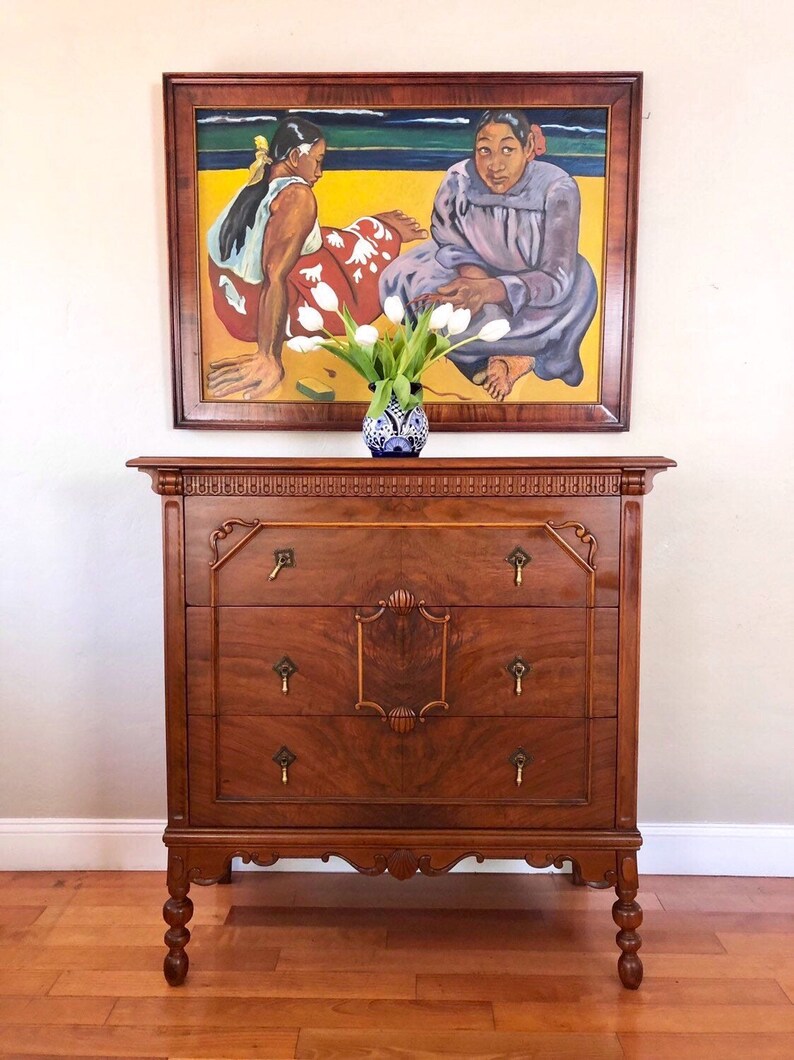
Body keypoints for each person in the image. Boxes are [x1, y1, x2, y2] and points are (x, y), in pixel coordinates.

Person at [379, 110, 597, 400]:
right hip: (470, 271)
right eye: (485, 150)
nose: (495, 164)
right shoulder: (458, 178)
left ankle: (514, 359)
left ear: (529, 148)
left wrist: (492, 290)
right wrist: (473, 282)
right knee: (404, 283)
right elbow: (449, 239)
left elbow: (556, 278)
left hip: (533, 289)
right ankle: (501, 354)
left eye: (508, 149)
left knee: (580, 292)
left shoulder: (558, 187)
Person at [206, 119, 427, 399]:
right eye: (318, 161)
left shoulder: (256, 184)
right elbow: (274, 276)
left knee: (319, 240)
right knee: (354, 269)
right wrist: (267, 356)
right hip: (258, 313)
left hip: (230, 304)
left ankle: (375, 227)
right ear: (297, 157)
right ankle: (381, 229)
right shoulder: (298, 195)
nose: (320, 172)